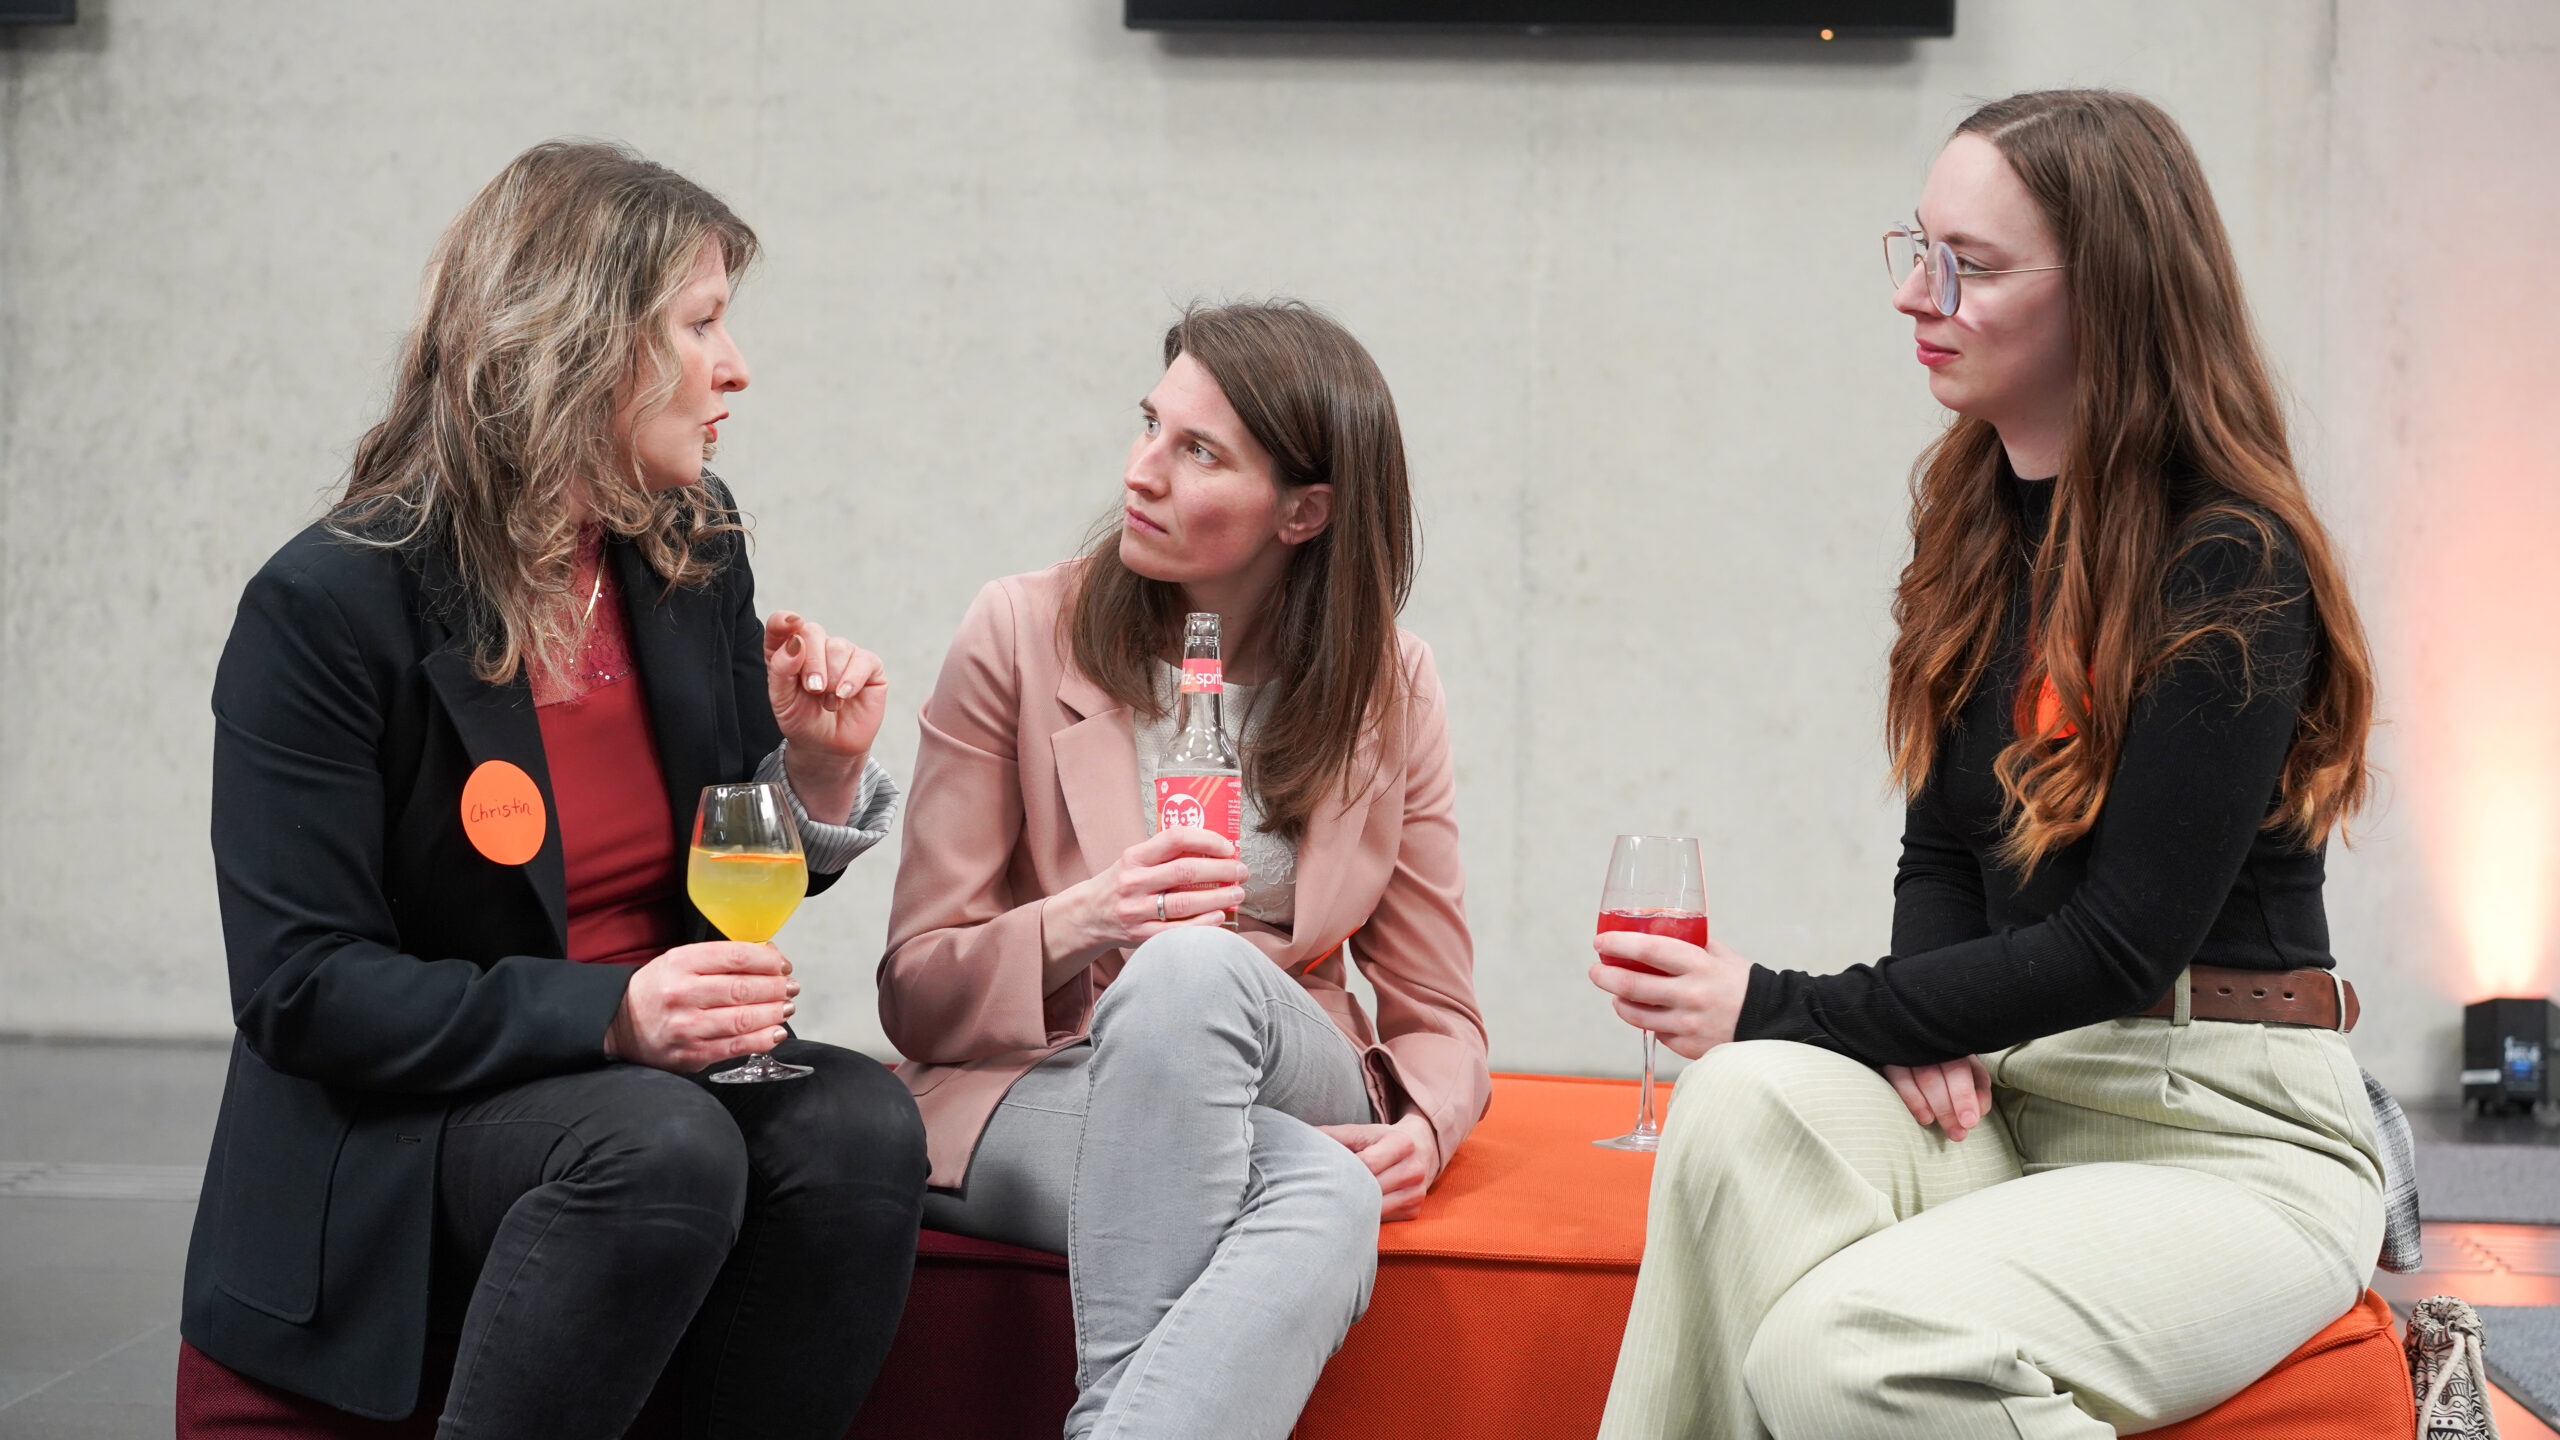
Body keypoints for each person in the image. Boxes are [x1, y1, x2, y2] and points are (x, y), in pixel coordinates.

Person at [1592, 91, 2386, 1439]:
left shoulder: (2234, 559)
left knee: (1845, 1356)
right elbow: (1945, 849)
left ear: (2115, 296)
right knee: (1736, 1108)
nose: (1916, 293)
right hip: (2032, 1095)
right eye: (1916, 246)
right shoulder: (1976, 521)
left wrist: (1785, 1000)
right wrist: (1926, 1022)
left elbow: (2123, 946)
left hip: (2228, 1136)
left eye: (1971, 263)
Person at [180, 141, 927, 1440]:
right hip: (417, 1114)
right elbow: (302, 991)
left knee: (861, 1122)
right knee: (659, 1145)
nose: (736, 367)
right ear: (585, 347)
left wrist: (812, 770)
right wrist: (615, 1013)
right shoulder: (326, 604)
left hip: (643, 1084)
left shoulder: (692, 540)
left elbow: (735, 856)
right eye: (700, 326)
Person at [882, 300, 1489, 1440]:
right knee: (1319, 1198)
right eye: (1149, 426)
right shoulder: (1016, 633)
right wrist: (1080, 918)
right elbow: (915, 987)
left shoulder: (1389, 686)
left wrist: (1425, 1125)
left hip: (1279, 1055)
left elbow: (1441, 1013)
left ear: (1303, 512)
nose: (1140, 473)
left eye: (1197, 451)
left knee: (1192, 975)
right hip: (1041, 1077)